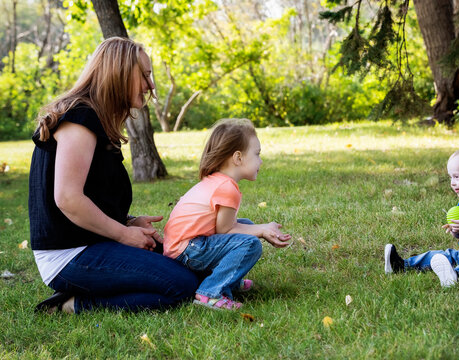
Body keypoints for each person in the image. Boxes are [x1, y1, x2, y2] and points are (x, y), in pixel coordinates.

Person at [30, 37, 198, 314]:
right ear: (118, 72)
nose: (151, 85)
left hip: (94, 242)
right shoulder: (79, 118)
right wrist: (123, 234)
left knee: (186, 261)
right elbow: (68, 199)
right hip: (69, 255)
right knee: (182, 285)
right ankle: (73, 304)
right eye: (144, 75)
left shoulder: (96, 120)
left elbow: (92, 194)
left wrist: (129, 222)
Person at [163, 118, 292, 310]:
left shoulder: (218, 181)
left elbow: (223, 228)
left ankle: (229, 280)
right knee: (250, 243)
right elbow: (224, 229)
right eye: (257, 154)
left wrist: (259, 228)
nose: (261, 161)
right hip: (188, 249)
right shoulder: (227, 187)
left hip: (184, 245)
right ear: (238, 158)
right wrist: (263, 229)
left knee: (246, 225)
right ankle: (210, 292)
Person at [384, 147, 459, 287]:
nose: (452, 182)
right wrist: (457, 230)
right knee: (437, 255)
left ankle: (456, 276)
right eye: (451, 177)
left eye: (456, 176)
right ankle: (402, 265)